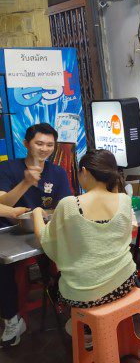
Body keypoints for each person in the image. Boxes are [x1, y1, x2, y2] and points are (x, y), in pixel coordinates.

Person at [33, 149, 138, 348]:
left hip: (84, 296)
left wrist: (37, 213)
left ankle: (87, 332)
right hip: (127, 282)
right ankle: (100, 330)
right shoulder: (124, 200)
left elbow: (45, 239)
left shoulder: (69, 205)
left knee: (59, 287)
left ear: (84, 171)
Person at [0, 123, 72, 347]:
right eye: (39, 143)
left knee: (69, 256)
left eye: (50, 144)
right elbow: (3, 203)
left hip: (45, 229)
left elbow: (64, 206)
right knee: (2, 269)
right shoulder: (8, 168)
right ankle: (12, 319)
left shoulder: (57, 172)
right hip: (10, 231)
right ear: (26, 144)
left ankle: (70, 304)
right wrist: (26, 183)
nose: (44, 148)